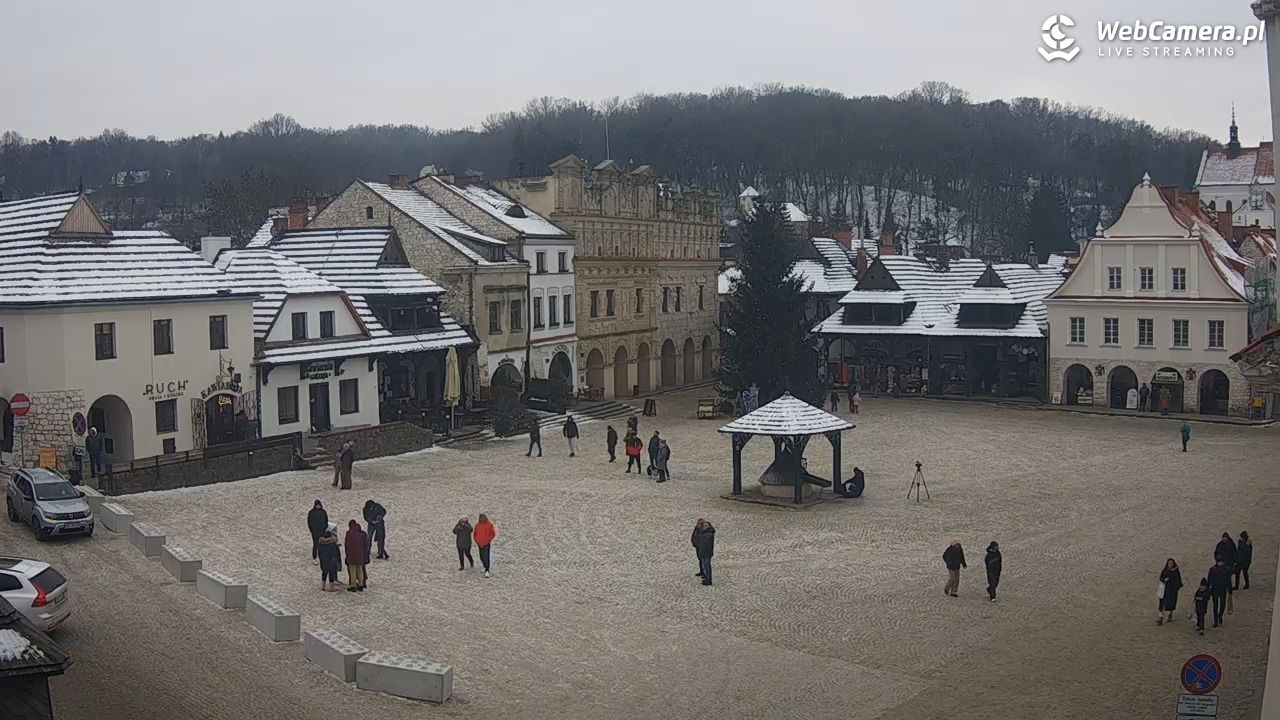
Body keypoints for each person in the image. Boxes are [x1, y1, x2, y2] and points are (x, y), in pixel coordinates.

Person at [344, 520, 369, 592]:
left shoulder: (349, 534)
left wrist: (347, 555)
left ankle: (353, 585)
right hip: (360, 555)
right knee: (360, 570)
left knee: (352, 571)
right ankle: (361, 584)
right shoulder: (363, 534)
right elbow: (366, 545)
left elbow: (347, 545)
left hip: (351, 555)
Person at [1207, 557, 1232, 627]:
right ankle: (1215, 621)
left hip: (1223, 589)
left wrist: (1230, 590)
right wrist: (1208, 589)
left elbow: (1229, 580)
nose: (1220, 563)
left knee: (1222, 604)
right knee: (1215, 605)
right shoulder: (1212, 570)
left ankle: (1220, 615)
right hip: (1215, 589)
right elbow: (1209, 580)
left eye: (1221, 562)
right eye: (1219, 562)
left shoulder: (1227, 570)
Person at [1157, 558, 1182, 625]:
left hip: (1172, 591)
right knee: (1162, 604)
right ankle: (1160, 618)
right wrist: (1163, 580)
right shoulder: (1165, 570)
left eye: (1171, 563)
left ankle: (1170, 615)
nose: (1170, 565)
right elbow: (1161, 577)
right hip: (1164, 590)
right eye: (1169, 563)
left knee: (1171, 604)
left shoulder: (1176, 572)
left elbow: (1178, 581)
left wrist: (1176, 588)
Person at [317, 523, 342, 591]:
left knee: (324, 572)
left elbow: (319, 552)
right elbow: (335, 552)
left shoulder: (321, 543)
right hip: (331, 559)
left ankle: (323, 586)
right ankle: (331, 587)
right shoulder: (332, 543)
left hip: (323, 559)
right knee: (331, 572)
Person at [693, 518, 716, 586]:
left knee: (707, 565)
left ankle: (708, 579)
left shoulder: (709, 533)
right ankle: (706, 577)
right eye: (704, 525)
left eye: (706, 525)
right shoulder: (702, 532)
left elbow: (703, 540)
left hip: (707, 552)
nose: (705, 526)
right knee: (704, 565)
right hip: (702, 551)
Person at [474, 513, 496, 578]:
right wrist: (476, 540)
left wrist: (488, 540)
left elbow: (492, 534)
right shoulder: (477, 525)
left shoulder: (489, 525)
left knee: (486, 556)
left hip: (486, 543)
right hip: (479, 543)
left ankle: (487, 570)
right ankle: (484, 566)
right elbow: (475, 533)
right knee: (481, 556)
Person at [306, 500, 328, 565]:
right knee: (315, 544)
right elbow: (309, 522)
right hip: (315, 531)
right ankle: (314, 557)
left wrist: (325, 527)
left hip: (322, 530)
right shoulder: (311, 512)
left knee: (322, 544)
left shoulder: (323, 512)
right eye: (317, 505)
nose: (318, 506)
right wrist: (311, 530)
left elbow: (326, 520)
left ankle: (322, 556)